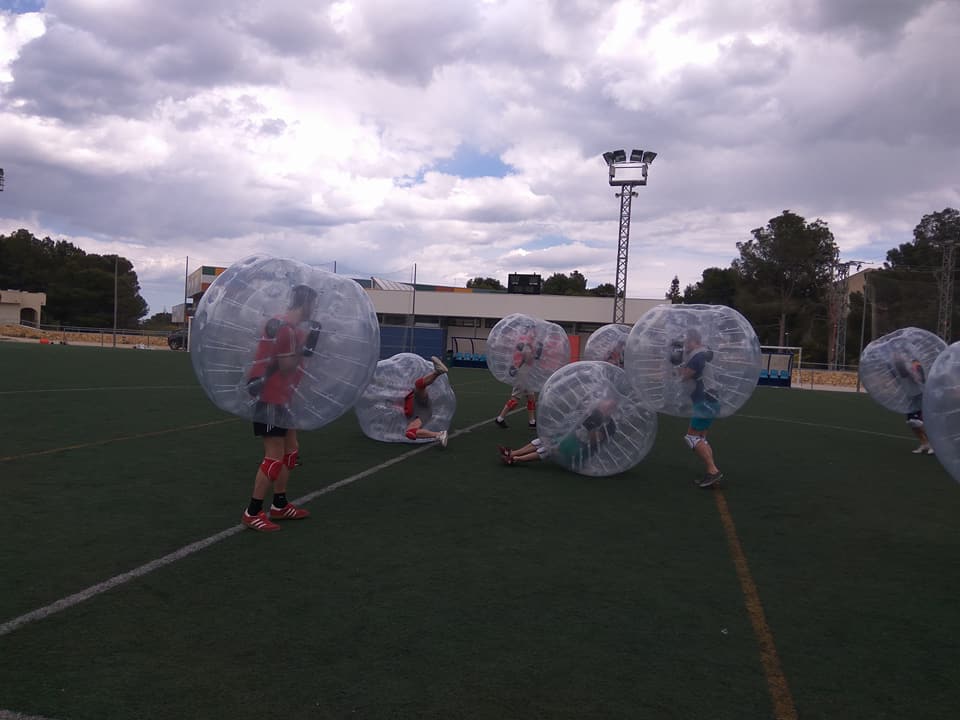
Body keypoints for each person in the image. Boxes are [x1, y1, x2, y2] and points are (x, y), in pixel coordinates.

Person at [241, 283, 322, 532]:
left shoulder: (291, 328)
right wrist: (307, 345)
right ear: (305, 303)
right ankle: (252, 511)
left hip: (282, 398)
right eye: (313, 304)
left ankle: (279, 504)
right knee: (274, 458)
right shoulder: (285, 328)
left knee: (291, 452)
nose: (314, 310)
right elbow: (287, 366)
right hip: (270, 398)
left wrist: (306, 343)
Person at [672, 327, 723, 489]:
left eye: (687, 341)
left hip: (705, 401)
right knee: (701, 438)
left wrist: (677, 361)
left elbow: (683, 377)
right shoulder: (704, 354)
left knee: (692, 438)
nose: (685, 345)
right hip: (710, 400)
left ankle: (713, 470)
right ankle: (711, 471)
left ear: (694, 341)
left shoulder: (697, 356)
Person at [499, 402, 617, 470]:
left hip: (580, 452)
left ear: (611, 409)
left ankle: (515, 459)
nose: (602, 406)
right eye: (603, 404)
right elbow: (576, 427)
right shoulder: (595, 414)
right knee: (543, 439)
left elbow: (593, 442)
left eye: (607, 406)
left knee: (550, 448)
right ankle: (513, 453)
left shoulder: (609, 425)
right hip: (573, 440)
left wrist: (592, 426)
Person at [495, 333, 540, 429]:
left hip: (526, 373)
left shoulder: (527, 345)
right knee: (515, 399)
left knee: (531, 398)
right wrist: (534, 353)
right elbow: (528, 359)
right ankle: (500, 418)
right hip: (522, 373)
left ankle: (532, 421)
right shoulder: (526, 346)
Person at [403, 356, 450, 447]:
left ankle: (438, 372)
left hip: (419, 404)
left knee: (418, 386)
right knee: (410, 433)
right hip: (416, 414)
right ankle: (439, 435)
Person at [893, 356, 934, 455]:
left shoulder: (918, 366)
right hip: (911, 396)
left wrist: (912, 372)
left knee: (918, 422)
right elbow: (901, 379)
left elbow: (920, 379)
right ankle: (924, 443)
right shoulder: (900, 368)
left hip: (920, 396)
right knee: (911, 422)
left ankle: (933, 444)